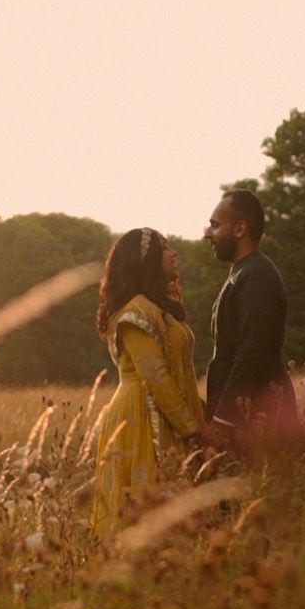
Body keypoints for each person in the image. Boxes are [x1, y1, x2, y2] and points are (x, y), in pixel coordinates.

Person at [90, 227, 205, 537]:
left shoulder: (158, 309)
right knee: (146, 520)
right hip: (140, 416)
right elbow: (155, 377)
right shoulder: (135, 313)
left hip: (165, 411)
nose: (174, 253)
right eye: (166, 248)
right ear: (148, 260)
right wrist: (191, 428)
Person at [200, 189, 299, 457]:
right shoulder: (242, 273)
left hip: (257, 416)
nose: (208, 233)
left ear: (240, 228)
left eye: (215, 225)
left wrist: (224, 418)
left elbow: (252, 350)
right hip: (243, 415)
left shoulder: (257, 275)